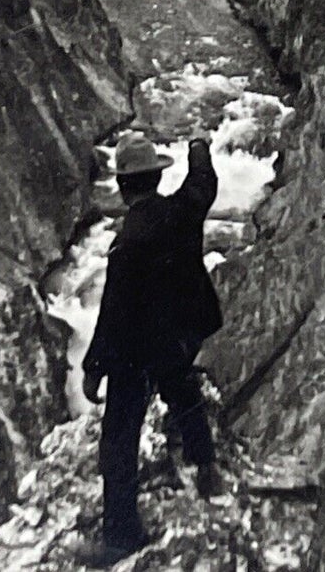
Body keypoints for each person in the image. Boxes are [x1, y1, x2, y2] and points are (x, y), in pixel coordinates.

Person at [83, 131, 224, 560]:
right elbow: (204, 183)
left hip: (138, 351)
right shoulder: (183, 210)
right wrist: (198, 147)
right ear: (158, 179)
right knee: (183, 390)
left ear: (124, 188)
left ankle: (121, 537)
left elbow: (113, 316)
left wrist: (93, 367)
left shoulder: (127, 244)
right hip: (180, 335)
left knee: (119, 440)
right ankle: (206, 468)